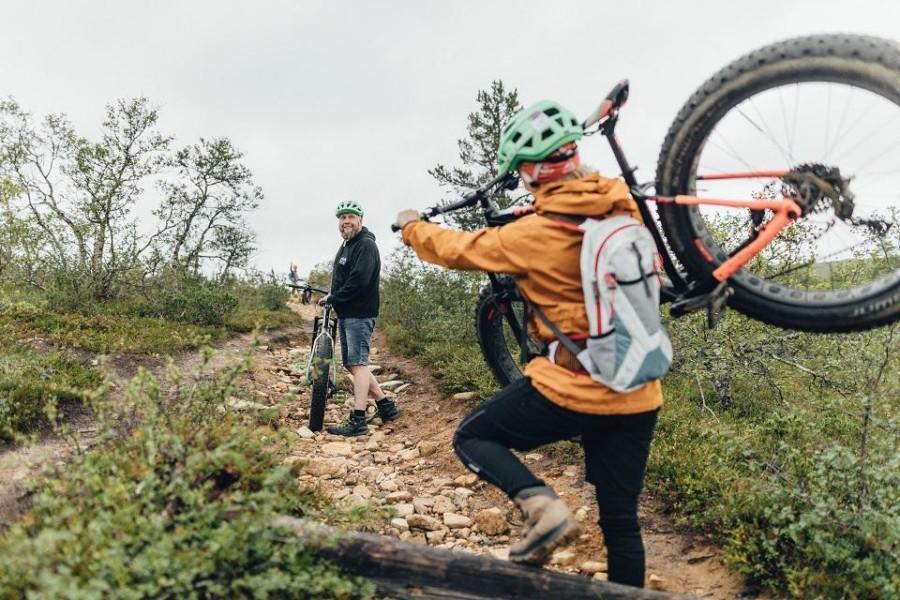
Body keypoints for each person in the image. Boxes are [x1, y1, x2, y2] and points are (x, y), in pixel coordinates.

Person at [395, 100, 663, 587]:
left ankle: (543, 509)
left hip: (575, 387)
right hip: (638, 388)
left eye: (522, 173)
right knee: (621, 522)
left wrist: (413, 227)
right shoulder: (621, 202)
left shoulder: (533, 235)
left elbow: (457, 250)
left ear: (534, 174)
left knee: (472, 436)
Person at [322, 200, 400, 436]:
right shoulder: (347, 245)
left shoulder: (365, 245)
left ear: (360, 220)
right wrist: (332, 295)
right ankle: (386, 407)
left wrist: (335, 298)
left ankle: (358, 420)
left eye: (351, 217)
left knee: (358, 364)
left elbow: (359, 281)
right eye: (342, 218)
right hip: (349, 313)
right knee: (353, 364)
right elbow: (344, 278)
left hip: (359, 313)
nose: (346, 221)